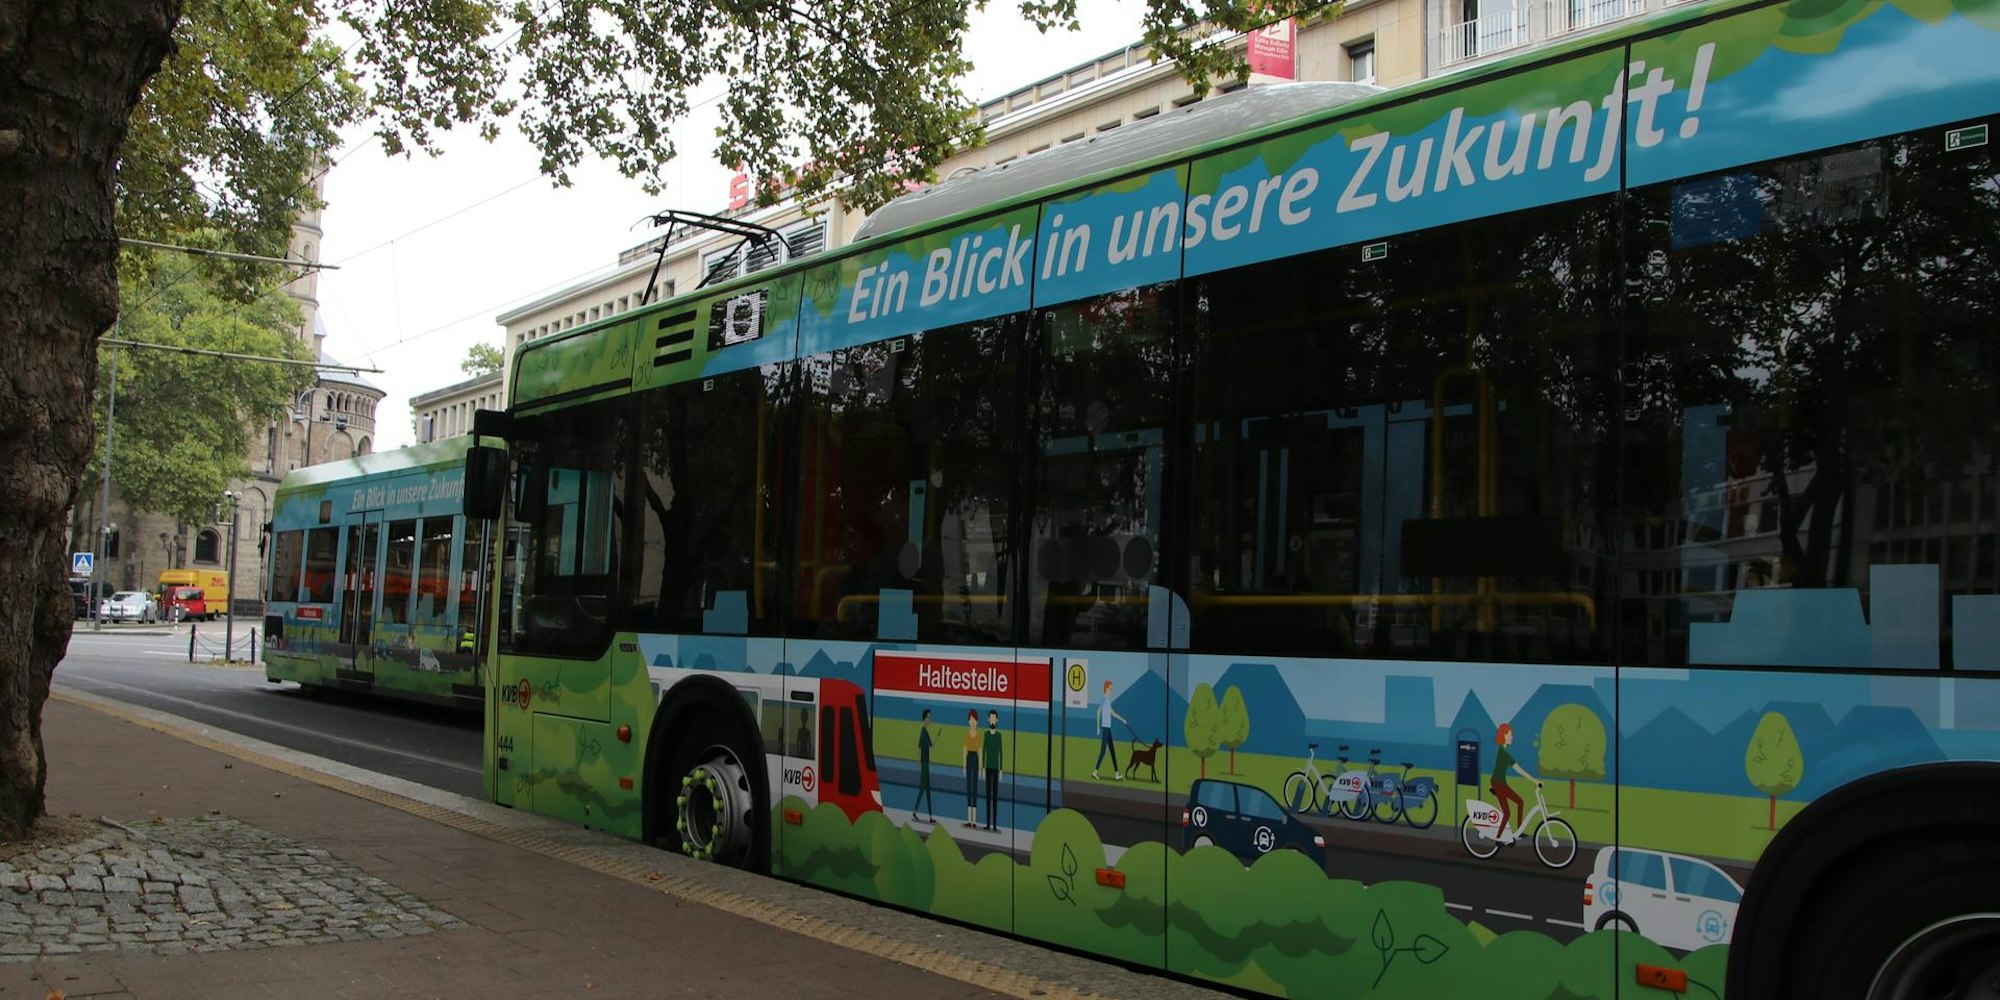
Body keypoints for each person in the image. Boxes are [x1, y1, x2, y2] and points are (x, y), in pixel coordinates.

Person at [1491, 722, 1536, 843]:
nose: (1512, 737)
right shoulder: (1503, 753)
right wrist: (1535, 781)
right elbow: (1519, 770)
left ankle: (1519, 831)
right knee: (1507, 813)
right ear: (1504, 735)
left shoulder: (1503, 751)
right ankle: (1498, 838)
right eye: (1510, 735)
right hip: (1497, 783)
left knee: (1520, 802)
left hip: (1501, 783)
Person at [1092, 679, 1126, 780]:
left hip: (1108, 729)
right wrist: (1098, 727)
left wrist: (1122, 720)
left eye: (1112, 689)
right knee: (1103, 751)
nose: (1111, 691)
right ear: (1106, 689)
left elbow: (1113, 713)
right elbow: (1098, 712)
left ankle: (1116, 773)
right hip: (1105, 729)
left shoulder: (1108, 701)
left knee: (1112, 751)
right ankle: (1095, 772)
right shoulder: (1103, 700)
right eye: (1110, 689)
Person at [913, 709, 937, 822]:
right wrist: (918, 761)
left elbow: (931, 746)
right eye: (929, 718)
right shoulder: (923, 732)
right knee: (923, 789)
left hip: (926, 763)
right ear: (925, 719)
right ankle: (915, 812)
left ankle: (930, 816)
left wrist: (936, 738)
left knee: (927, 790)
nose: (930, 720)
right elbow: (919, 747)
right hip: (924, 764)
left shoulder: (925, 732)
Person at [982, 710, 1004, 831]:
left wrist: (1001, 769)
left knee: (995, 796)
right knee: (988, 797)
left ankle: (994, 825)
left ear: (997, 720)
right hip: (988, 768)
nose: (992, 720)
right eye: (991, 718)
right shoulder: (986, 734)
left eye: (994, 718)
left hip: (996, 768)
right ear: (988, 720)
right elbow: (984, 750)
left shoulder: (999, 735)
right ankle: (988, 824)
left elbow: (1001, 752)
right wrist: (982, 767)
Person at [962, 710, 981, 828]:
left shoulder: (978, 735)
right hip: (969, 757)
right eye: (971, 720)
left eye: (974, 720)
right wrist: (964, 766)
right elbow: (964, 749)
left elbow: (980, 750)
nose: (973, 722)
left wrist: (981, 767)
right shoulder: (966, 734)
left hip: (975, 758)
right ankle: (969, 820)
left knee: (975, 788)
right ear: (969, 721)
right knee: (969, 788)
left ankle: (974, 821)